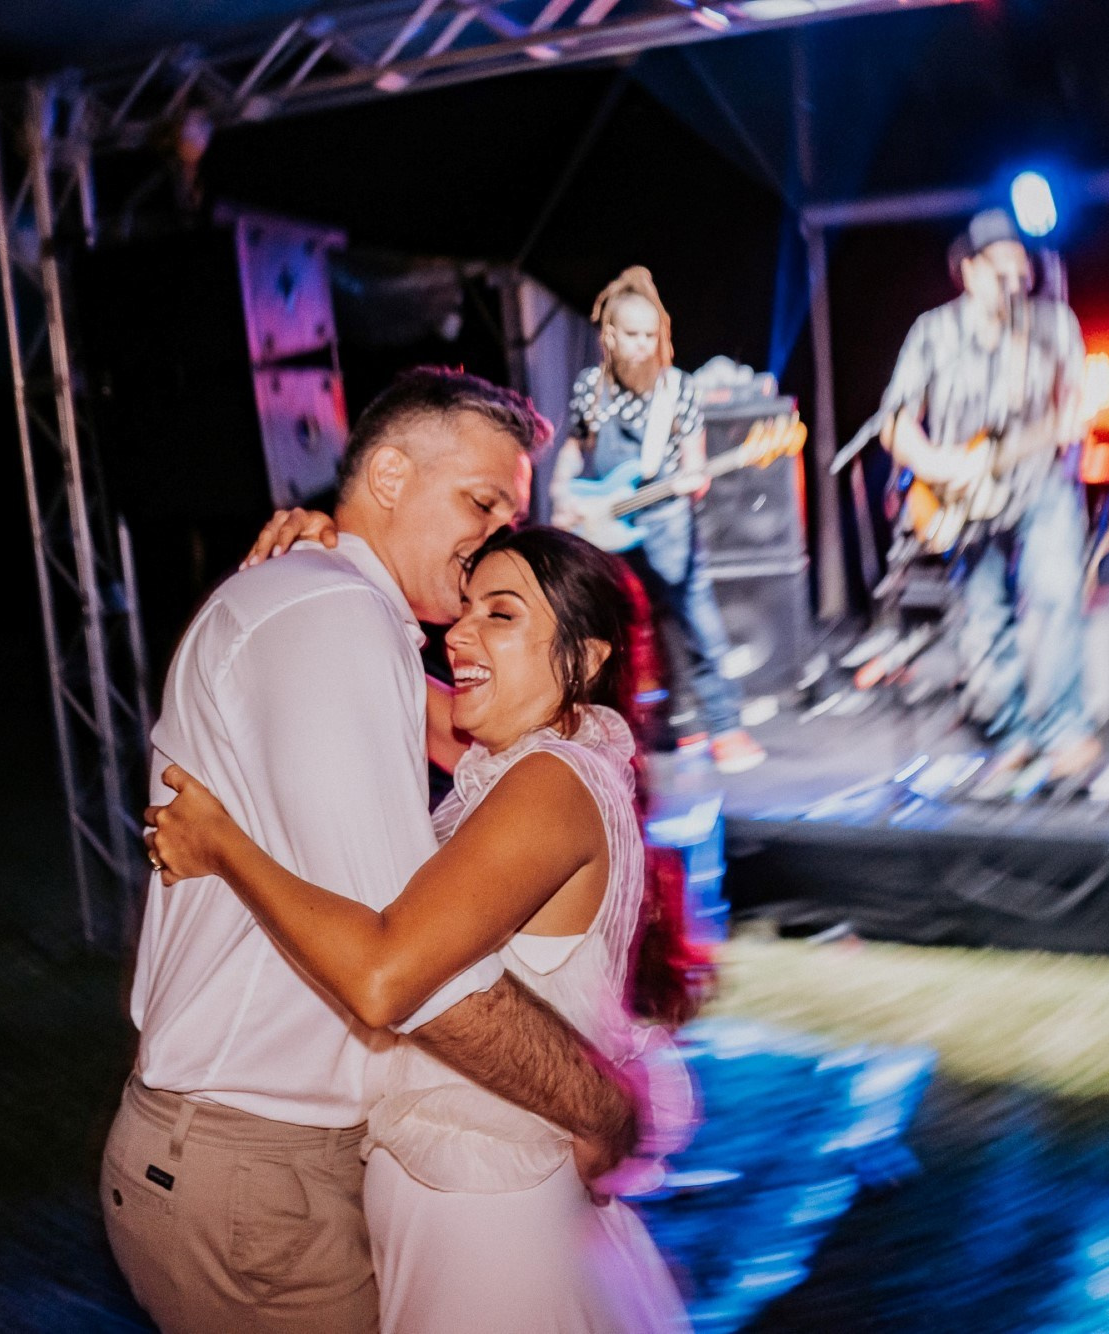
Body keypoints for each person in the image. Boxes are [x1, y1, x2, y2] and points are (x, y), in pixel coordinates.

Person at [104, 369, 640, 1334]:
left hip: (323, 1161)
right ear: (389, 475)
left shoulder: (374, 632)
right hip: (252, 1153)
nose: (494, 535)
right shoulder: (336, 617)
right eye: (480, 502)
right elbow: (406, 979)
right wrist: (601, 1106)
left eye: (511, 517)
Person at [879, 207, 1095, 793]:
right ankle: (1013, 735)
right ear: (969, 271)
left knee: (1054, 597)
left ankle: (1064, 732)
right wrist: (937, 464)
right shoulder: (933, 332)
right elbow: (895, 423)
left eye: (1018, 261)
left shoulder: (1054, 326)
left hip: (1040, 482)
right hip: (962, 497)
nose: (1012, 273)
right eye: (998, 263)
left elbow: (1076, 407)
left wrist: (1076, 418)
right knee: (983, 621)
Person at [551, 266, 767, 775]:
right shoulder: (590, 389)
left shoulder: (679, 389)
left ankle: (726, 727)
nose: (644, 345)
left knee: (700, 623)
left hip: (668, 523)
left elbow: (696, 464)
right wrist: (562, 492)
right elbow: (574, 449)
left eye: (652, 335)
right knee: (613, 635)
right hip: (606, 527)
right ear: (609, 335)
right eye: (633, 334)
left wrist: (696, 478)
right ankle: (625, 733)